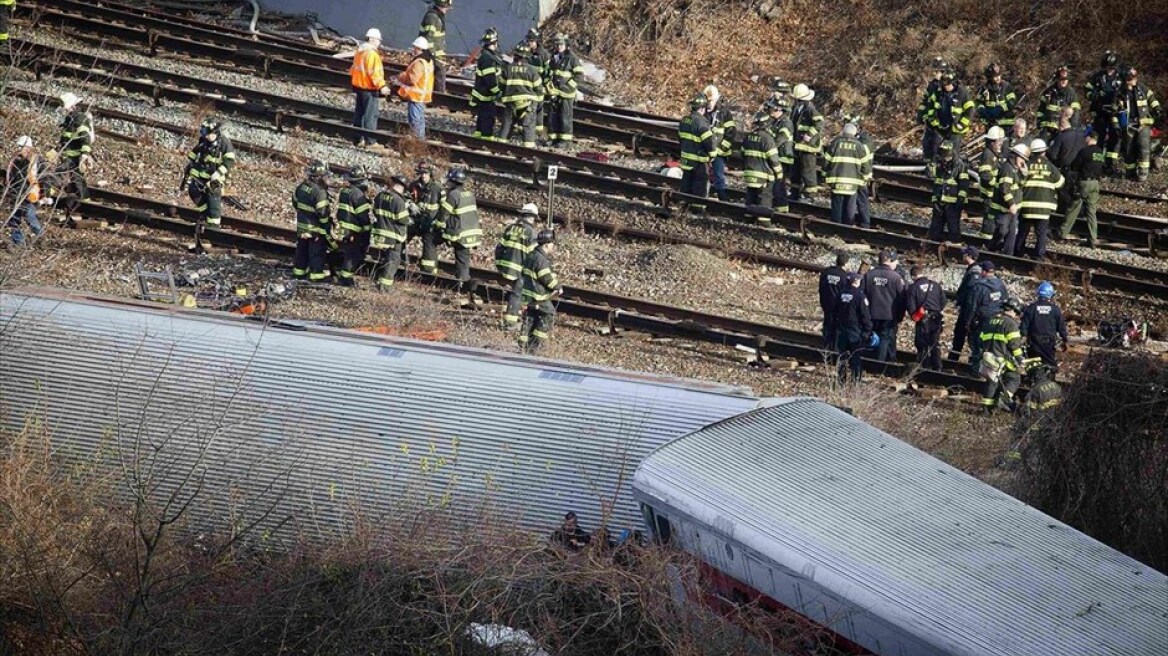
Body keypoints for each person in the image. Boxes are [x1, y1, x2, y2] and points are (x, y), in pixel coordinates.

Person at [179, 117, 235, 251]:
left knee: (213, 197)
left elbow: (229, 162)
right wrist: (190, 167)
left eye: (208, 134)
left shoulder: (225, 144)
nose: (206, 137)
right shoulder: (203, 141)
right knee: (193, 191)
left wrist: (218, 174)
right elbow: (194, 155)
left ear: (215, 133)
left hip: (217, 178)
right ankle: (205, 215)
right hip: (201, 176)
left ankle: (214, 230)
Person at [437, 167, 482, 299]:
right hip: (472, 232)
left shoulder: (453, 195)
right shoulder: (470, 194)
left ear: (453, 181)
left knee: (461, 259)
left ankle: (463, 285)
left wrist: (438, 225)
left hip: (460, 234)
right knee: (464, 258)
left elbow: (444, 214)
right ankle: (464, 282)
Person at [1015, 139, 1063, 260]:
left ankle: (1017, 253)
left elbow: (1019, 182)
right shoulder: (1051, 167)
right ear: (1044, 152)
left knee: (1022, 232)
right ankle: (1039, 257)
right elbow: (1060, 183)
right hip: (1044, 208)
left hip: (1027, 206)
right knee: (1041, 234)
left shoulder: (1027, 165)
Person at [518, 229, 562, 354]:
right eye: (553, 244)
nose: (554, 247)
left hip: (528, 294)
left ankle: (523, 344)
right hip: (538, 295)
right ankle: (535, 345)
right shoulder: (541, 259)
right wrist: (558, 287)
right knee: (548, 313)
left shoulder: (532, 254)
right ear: (547, 244)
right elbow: (546, 278)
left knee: (531, 316)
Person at [495, 203, 538, 328]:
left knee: (518, 293)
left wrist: (499, 265)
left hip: (506, 266)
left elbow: (499, 248)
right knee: (517, 294)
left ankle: (517, 315)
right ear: (531, 217)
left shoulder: (510, 228)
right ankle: (510, 323)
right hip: (520, 268)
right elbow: (533, 255)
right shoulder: (531, 232)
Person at [978, 299, 1024, 414]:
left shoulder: (990, 321)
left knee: (991, 382)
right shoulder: (1011, 324)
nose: (1016, 316)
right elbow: (1015, 346)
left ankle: (986, 409)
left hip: (988, 357)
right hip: (1004, 359)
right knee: (1014, 378)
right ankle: (1003, 399)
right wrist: (1020, 360)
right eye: (1016, 313)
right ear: (1012, 310)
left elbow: (980, 339)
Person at [1058, 131, 1103, 246]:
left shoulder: (1085, 151)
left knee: (1073, 207)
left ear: (1090, 138)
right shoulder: (1100, 152)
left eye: (1086, 137)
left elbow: (1075, 166)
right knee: (1091, 212)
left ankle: (1062, 233)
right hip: (1095, 183)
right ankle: (1093, 239)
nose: (1085, 139)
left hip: (1084, 183)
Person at [1117, 67, 1162, 181]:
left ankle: (1143, 174)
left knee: (1144, 148)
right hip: (1128, 125)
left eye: (1135, 77)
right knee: (1128, 149)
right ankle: (1130, 172)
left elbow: (1151, 98)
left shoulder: (1141, 88)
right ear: (1126, 80)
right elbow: (1116, 108)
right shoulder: (1121, 92)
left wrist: (1156, 107)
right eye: (1132, 78)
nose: (1135, 80)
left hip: (1143, 123)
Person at [369, 174, 413, 291]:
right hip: (394, 235)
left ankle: (378, 279)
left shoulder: (380, 196)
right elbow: (403, 219)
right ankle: (385, 286)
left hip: (381, 233)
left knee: (385, 258)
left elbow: (375, 211)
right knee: (393, 260)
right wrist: (409, 213)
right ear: (402, 187)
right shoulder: (398, 201)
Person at [291, 159, 332, 282]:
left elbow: (295, 202)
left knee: (301, 251)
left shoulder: (301, 187)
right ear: (320, 177)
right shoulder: (320, 192)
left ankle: (299, 273)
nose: (327, 179)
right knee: (316, 253)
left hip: (302, 227)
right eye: (325, 176)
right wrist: (326, 227)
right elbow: (323, 214)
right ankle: (316, 276)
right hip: (315, 230)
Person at [823, 122, 871, 225]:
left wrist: (825, 175)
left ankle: (836, 227)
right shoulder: (859, 146)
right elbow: (866, 167)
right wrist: (865, 179)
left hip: (837, 181)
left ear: (843, 132)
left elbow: (826, 162)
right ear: (854, 133)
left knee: (837, 206)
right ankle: (847, 228)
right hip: (852, 184)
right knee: (850, 208)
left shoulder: (835, 143)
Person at [863, 250, 905, 363]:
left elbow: (862, 295)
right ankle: (881, 363)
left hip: (871, 313)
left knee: (872, 336)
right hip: (889, 315)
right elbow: (902, 299)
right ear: (889, 260)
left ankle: (869, 360)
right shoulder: (896, 278)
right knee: (886, 339)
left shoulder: (869, 275)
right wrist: (900, 315)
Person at [1085, 51, 1124, 175]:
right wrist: (1096, 95)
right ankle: (1098, 163)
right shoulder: (1097, 77)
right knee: (1099, 138)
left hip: (1115, 113)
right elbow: (1087, 90)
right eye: (1107, 67)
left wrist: (1120, 101)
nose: (1109, 69)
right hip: (1100, 111)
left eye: (1111, 67)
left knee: (1115, 138)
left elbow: (1126, 92)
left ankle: (1110, 164)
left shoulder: (1120, 77)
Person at [497, 44, 543, 148]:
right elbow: (539, 89)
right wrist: (539, 105)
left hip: (511, 103)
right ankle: (528, 151)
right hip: (528, 103)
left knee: (507, 125)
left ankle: (499, 147)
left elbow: (501, 86)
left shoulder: (507, 69)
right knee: (528, 127)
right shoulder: (532, 70)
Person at [349, 28, 389, 146]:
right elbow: (374, 73)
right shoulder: (371, 54)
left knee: (359, 114)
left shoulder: (360, 51)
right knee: (371, 115)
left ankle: (357, 139)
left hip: (359, 87)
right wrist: (382, 86)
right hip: (369, 88)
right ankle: (370, 142)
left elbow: (353, 70)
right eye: (378, 40)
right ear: (371, 39)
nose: (379, 42)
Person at [739, 111, 781, 223]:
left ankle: (748, 219)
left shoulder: (748, 137)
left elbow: (742, 154)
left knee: (750, 196)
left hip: (749, 175)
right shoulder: (767, 139)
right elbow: (774, 160)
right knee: (764, 197)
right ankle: (764, 221)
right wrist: (779, 174)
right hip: (764, 176)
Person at [334, 165, 372, 287]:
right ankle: (346, 279)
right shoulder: (357, 194)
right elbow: (363, 215)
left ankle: (340, 273)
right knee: (352, 254)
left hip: (344, 228)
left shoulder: (345, 190)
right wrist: (367, 229)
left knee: (346, 252)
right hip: (354, 230)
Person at [966, 260, 1009, 368]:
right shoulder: (1001, 285)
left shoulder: (979, 286)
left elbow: (972, 306)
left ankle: (976, 369)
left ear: (984, 272)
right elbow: (1005, 301)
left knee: (977, 344)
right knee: (992, 346)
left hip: (982, 320)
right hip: (997, 320)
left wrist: (968, 322)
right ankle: (991, 369)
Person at [678, 94, 717, 213]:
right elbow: (709, 144)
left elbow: (680, 138)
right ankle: (697, 210)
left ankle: (684, 205)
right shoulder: (702, 123)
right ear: (702, 108)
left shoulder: (684, 120)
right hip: (699, 161)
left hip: (686, 159)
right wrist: (712, 155)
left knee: (686, 183)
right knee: (700, 186)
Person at [833, 272, 875, 384]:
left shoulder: (840, 294)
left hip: (841, 328)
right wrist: (868, 330)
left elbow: (834, 311)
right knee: (855, 355)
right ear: (856, 281)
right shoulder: (860, 296)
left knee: (842, 355)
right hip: (854, 329)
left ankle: (841, 381)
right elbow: (865, 315)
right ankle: (856, 381)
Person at [1020, 281, 1069, 375]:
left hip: (1033, 344)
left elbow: (1023, 328)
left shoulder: (1031, 308)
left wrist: (1022, 339)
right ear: (1050, 295)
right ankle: (1049, 385)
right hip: (1048, 344)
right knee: (1051, 367)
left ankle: (1033, 384)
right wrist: (1065, 339)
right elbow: (1061, 327)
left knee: (1033, 367)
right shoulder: (1055, 310)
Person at [57, 91, 94, 215]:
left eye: (65, 107)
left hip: (75, 156)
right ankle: (84, 202)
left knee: (60, 174)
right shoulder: (70, 118)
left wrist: (84, 155)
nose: (63, 109)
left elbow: (85, 138)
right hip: (68, 155)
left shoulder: (79, 119)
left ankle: (44, 197)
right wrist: (57, 150)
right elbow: (65, 137)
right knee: (76, 179)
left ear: (72, 106)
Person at [988, 142, 1028, 255]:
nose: (1023, 161)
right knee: (1002, 230)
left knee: (1011, 234)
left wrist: (1024, 174)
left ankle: (1007, 256)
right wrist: (1011, 204)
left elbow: (1020, 185)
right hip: (1005, 208)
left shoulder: (1016, 169)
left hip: (1013, 209)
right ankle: (991, 247)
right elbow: (1004, 189)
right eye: (1022, 158)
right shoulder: (1007, 169)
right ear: (1015, 156)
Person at [905, 265, 946, 370]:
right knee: (934, 343)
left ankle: (924, 366)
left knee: (922, 344)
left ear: (913, 276)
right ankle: (937, 367)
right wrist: (936, 310)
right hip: (936, 318)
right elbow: (943, 301)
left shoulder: (913, 288)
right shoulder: (935, 285)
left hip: (923, 319)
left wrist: (916, 315)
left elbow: (911, 306)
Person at [4, 135, 44, 246]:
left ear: (28, 148)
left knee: (29, 217)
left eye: (21, 147)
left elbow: (45, 178)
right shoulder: (15, 161)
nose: (18, 149)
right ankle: (18, 243)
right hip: (15, 194)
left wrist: (45, 195)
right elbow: (10, 177)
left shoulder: (36, 161)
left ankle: (41, 235)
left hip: (29, 196)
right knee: (13, 219)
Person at [700, 85, 737, 202]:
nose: (709, 103)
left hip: (719, 152)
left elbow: (731, 133)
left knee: (718, 176)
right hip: (705, 151)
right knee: (701, 175)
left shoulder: (724, 114)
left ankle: (722, 198)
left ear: (717, 99)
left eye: (712, 101)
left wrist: (720, 150)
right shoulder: (701, 111)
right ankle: (702, 197)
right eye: (708, 101)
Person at [1046, 107, 1086, 214]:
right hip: (1079, 171)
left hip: (1065, 171)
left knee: (1063, 198)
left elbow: (1053, 155)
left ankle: (1061, 220)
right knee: (1077, 195)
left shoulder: (1061, 137)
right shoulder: (1083, 135)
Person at [546, 33, 583, 147]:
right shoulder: (554, 56)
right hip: (555, 92)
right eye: (556, 44)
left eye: (561, 44)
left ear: (565, 44)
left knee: (565, 117)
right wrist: (549, 86)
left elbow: (579, 75)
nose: (559, 46)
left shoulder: (572, 58)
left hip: (566, 93)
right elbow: (550, 72)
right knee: (553, 116)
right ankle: (553, 138)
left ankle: (565, 141)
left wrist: (568, 87)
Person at [929, 140, 970, 243]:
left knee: (954, 230)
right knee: (935, 230)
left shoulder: (959, 165)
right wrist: (935, 201)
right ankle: (935, 248)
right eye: (943, 156)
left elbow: (964, 184)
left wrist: (960, 200)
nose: (945, 159)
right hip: (939, 201)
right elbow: (933, 180)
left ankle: (954, 250)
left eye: (947, 157)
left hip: (953, 204)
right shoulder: (938, 163)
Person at [394, 37, 435, 139]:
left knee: (414, 119)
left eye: (415, 48)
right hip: (421, 94)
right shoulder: (428, 61)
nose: (413, 50)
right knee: (420, 119)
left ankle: (417, 140)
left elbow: (412, 79)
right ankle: (420, 138)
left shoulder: (419, 62)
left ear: (420, 49)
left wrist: (401, 77)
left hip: (415, 95)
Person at [788, 83, 823, 201]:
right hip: (797, 144)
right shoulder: (796, 108)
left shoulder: (810, 109)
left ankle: (810, 195)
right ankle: (794, 192)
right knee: (795, 170)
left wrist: (809, 134)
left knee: (808, 171)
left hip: (808, 146)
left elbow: (819, 123)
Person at [408, 160, 444, 273]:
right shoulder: (413, 185)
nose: (423, 175)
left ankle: (428, 270)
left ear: (430, 174)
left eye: (425, 173)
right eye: (421, 173)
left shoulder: (438, 188)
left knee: (429, 242)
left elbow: (445, 208)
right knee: (402, 235)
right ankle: (394, 259)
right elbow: (405, 198)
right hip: (416, 221)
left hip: (430, 223)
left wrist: (439, 222)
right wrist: (410, 204)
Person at [925, 71, 974, 152]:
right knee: (937, 153)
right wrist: (932, 119)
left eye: (948, 85)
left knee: (952, 154)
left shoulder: (962, 92)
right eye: (944, 85)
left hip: (955, 130)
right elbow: (930, 105)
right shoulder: (939, 92)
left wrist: (962, 124)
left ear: (953, 82)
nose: (946, 87)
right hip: (940, 128)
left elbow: (970, 109)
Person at [948, 245, 982, 362]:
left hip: (969, 311)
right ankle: (954, 359)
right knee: (961, 336)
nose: (962, 255)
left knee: (967, 337)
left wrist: (968, 314)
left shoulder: (974, 273)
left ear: (969, 256)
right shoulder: (972, 270)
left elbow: (971, 295)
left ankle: (959, 361)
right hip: (968, 310)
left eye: (965, 254)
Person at [468, 28, 502, 140]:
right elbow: (490, 79)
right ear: (494, 42)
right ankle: (487, 139)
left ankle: (478, 135)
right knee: (488, 117)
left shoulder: (487, 55)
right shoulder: (488, 59)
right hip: (486, 94)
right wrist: (497, 91)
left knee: (482, 116)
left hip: (482, 93)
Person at [764, 98, 794, 213]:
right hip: (776, 156)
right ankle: (777, 205)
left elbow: (779, 140)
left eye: (772, 108)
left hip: (783, 157)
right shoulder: (774, 121)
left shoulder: (786, 123)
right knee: (774, 183)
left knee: (778, 183)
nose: (770, 110)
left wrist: (767, 148)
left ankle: (782, 207)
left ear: (779, 109)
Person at [845, 113, 875, 228]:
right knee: (851, 201)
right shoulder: (856, 139)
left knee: (862, 201)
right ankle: (850, 222)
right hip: (853, 174)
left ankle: (865, 223)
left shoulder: (866, 140)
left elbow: (862, 156)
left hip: (861, 175)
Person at [1036, 65, 1080, 142]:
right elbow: (1041, 109)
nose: (1064, 81)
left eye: (1066, 79)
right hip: (1047, 128)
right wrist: (1040, 123)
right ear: (1057, 79)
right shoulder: (1048, 92)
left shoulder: (1071, 93)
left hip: (1063, 129)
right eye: (1061, 79)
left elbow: (1075, 112)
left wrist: (1071, 127)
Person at [522, 27, 552, 139]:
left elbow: (548, 72)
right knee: (526, 107)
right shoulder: (525, 52)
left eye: (531, 41)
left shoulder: (544, 54)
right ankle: (525, 129)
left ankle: (538, 131)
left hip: (539, 86)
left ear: (536, 41)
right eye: (528, 40)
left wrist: (545, 84)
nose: (529, 43)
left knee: (538, 109)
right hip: (527, 86)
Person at [976, 125, 1005, 237]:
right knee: (989, 219)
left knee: (991, 219)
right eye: (999, 141)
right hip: (989, 194)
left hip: (992, 194)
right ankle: (986, 241)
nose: (1001, 144)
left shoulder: (993, 154)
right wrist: (997, 185)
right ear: (992, 142)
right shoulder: (988, 155)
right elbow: (985, 175)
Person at [917, 57, 948, 161]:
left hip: (940, 124)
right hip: (930, 122)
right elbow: (925, 101)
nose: (934, 73)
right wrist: (920, 114)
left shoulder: (947, 86)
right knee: (926, 144)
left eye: (936, 71)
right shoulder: (932, 85)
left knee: (937, 147)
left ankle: (934, 168)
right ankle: (926, 166)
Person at [418, 0, 450, 93]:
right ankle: (439, 98)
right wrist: (432, 53)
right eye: (446, 7)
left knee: (437, 74)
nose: (447, 10)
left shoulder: (438, 17)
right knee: (439, 74)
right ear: (441, 6)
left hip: (437, 53)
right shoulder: (432, 17)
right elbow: (428, 37)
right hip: (432, 53)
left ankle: (436, 96)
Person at [818, 252, 849, 348]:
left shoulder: (826, 272)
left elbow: (821, 288)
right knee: (837, 329)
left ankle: (826, 347)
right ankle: (834, 349)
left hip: (826, 303)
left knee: (827, 326)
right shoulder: (844, 276)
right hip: (838, 306)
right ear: (846, 263)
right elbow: (845, 293)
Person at [976, 63, 1018, 130]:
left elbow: (1012, 101)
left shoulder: (1006, 86)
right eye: (995, 76)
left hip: (1006, 123)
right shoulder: (984, 89)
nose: (998, 78)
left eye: (999, 75)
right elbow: (978, 103)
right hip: (991, 124)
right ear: (989, 77)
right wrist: (982, 111)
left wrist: (1001, 108)